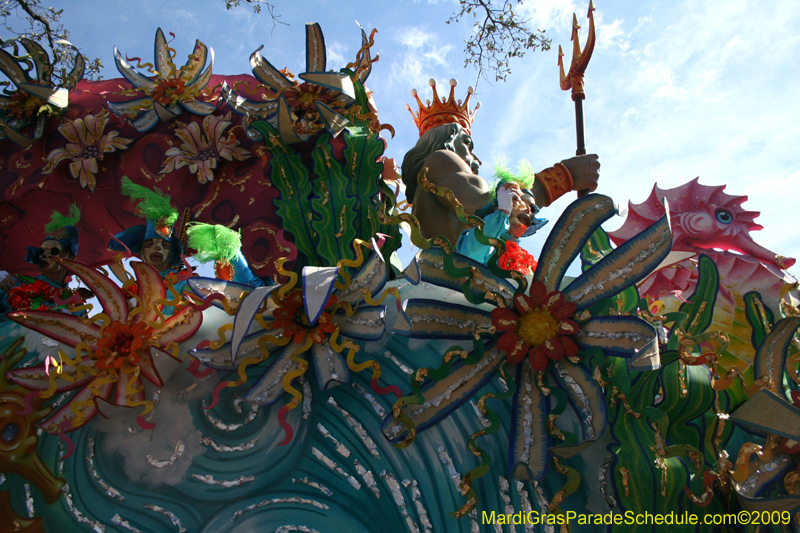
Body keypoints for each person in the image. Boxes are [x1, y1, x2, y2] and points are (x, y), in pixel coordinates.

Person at [402, 79, 600, 248]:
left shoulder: (431, 184)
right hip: (456, 286)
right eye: (468, 145)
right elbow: (488, 208)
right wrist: (563, 176)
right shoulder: (441, 159)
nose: (476, 159)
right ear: (448, 142)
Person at [0, 204, 88, 314]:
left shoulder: (76, 306)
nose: (44, 255)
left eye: (54, 251)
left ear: (69, 258)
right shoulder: (13, 283)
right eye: (41, 251)